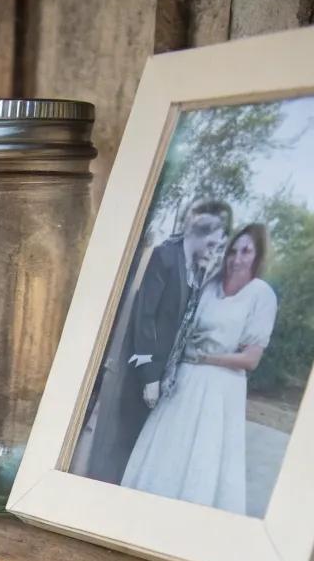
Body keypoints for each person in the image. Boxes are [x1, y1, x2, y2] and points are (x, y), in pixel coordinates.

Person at [120, 224, 277, 513]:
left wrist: (206, 359)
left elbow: (251, 359)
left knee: (202, 461)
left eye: (246, 251)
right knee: (168, 451)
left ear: (257, 256)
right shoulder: (210, 285)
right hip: (184, 380)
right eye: (233, 250)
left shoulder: (261, 295)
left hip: (220, 389)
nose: (237, 258)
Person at [85, 199, 233, 483]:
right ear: (201, 232)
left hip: (163, 373)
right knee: (121, 441)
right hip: (142, 372)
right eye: (213, 241)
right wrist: (150, 377)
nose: (215, 248)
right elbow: (145, 318)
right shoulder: (165, 257)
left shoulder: (196, 269)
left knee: (140, 445)